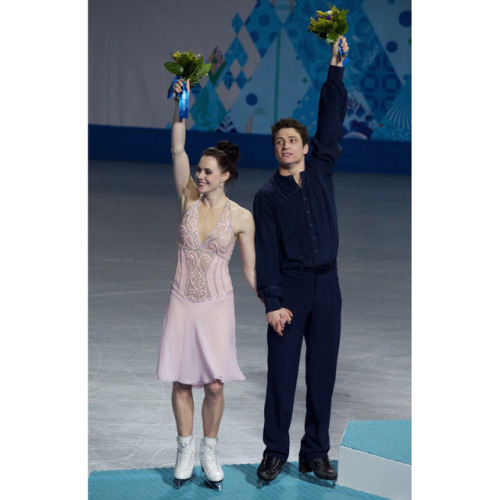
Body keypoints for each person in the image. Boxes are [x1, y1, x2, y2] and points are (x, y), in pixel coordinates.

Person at [253, 37, 349, 484]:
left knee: (323, 372)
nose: (286, 146)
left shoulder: (322, 170)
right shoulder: (267, 196)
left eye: (293, 140)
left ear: (306, 147)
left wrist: (335, 69)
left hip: (327, 287)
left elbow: (331, 123)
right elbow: (266, 254)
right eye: (279, 142)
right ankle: (276, 450)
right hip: (289, 289)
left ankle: (316, 451)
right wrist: (272, 301)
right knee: (282, 374)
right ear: (275, 150)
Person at [156, 78, 256, 489]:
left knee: (214, 384)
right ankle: (184, 448)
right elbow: (177, 148)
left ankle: (209, 450)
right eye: (198, 169)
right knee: (182, 380)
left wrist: (274, 301)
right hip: (182, 301)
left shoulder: (242, 217)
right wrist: (182, 106)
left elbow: (251, 270)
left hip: (217, 304)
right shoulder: (187, 200)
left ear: (226, 176)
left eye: (208, 171)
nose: (199, 175)